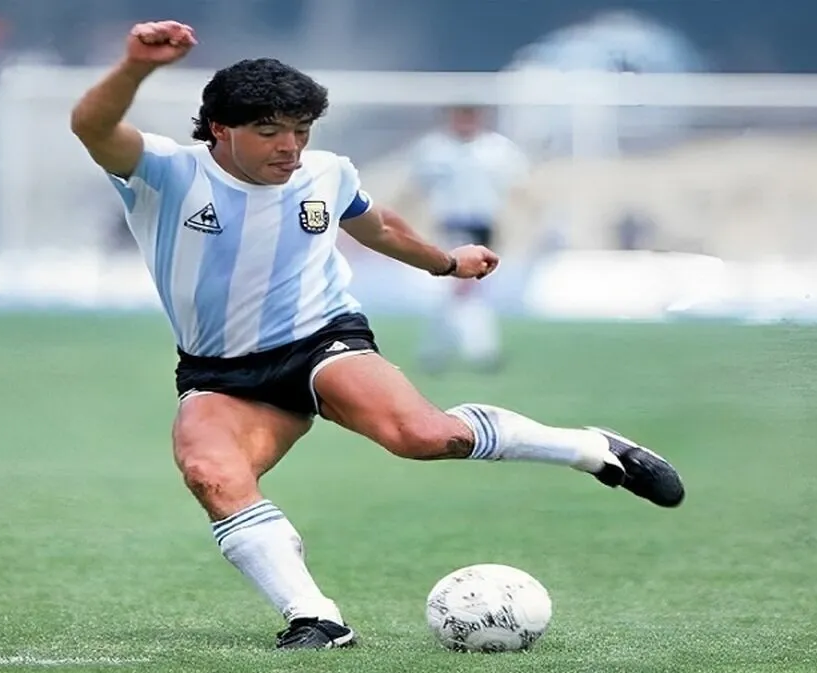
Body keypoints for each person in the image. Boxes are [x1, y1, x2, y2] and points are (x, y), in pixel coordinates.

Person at [70, 20, 685, 651]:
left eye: (301, 131)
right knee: (211, 474)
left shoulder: (327, 174)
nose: (290, 147)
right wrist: (136, 66)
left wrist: (446, 263)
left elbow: (378, 226)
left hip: (320, 340)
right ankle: (316, 618)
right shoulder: (167, 172)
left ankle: (592, 450)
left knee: (426, 436)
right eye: (270, 131)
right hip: (220, 372)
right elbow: (92, 127)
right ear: (220, 129)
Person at [410, 105, 529, 373]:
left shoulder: (497, 149)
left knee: (467, 291)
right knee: (460, 289)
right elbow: (416, 188)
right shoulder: (433, 149)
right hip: (451, 225)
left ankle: (444, 351)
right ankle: (477, 351)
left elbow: (518, 188)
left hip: (483, 226)